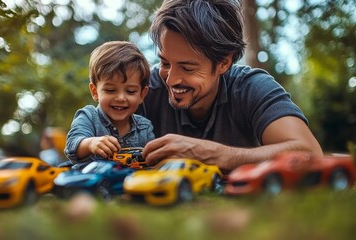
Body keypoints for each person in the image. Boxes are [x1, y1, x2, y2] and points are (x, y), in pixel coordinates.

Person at [138, 0, 323, 172]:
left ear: (223, 63)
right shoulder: (142, 89)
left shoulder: (251, 87)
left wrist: (215, 154)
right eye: (165, 63)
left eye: (187, 68)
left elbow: (311, 153)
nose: (171, 80)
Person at [64, 41, 155, 165]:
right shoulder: (88, 117)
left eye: (130, 91)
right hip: (91, 181)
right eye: (110, 90)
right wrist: (91, 143)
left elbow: (153, 160)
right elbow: (72, 145)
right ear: (95, 91)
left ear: (142, 94)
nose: (121, 98)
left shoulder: (144, 127)